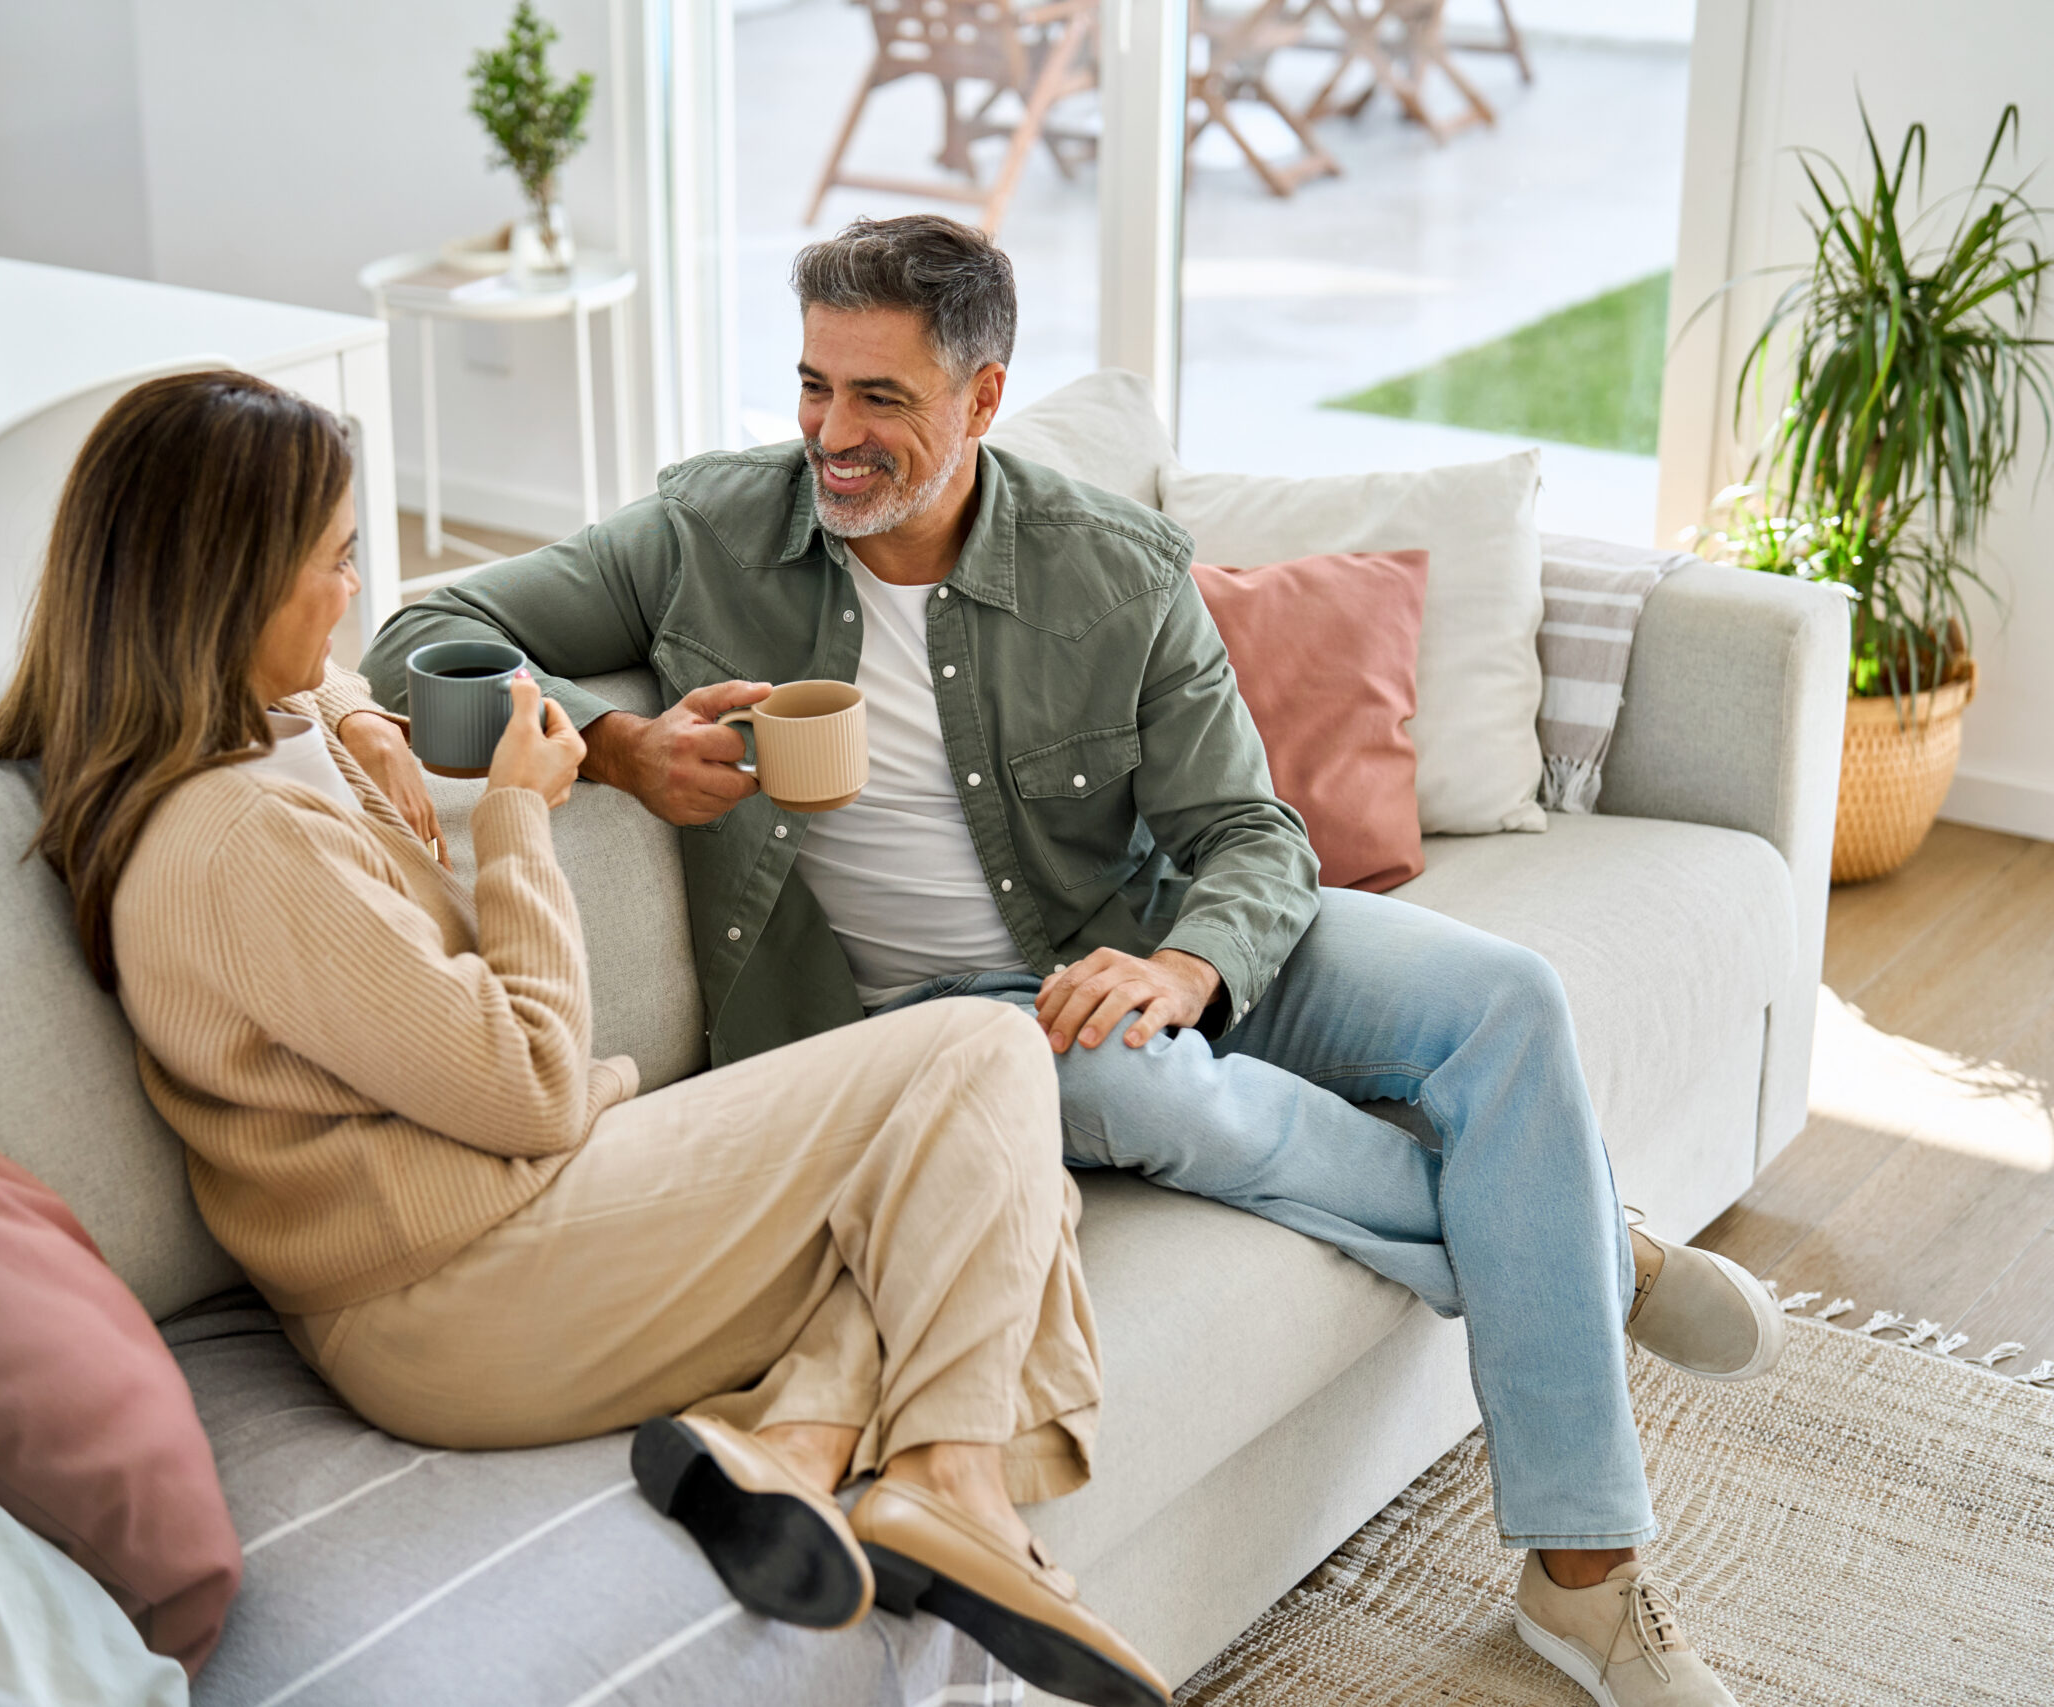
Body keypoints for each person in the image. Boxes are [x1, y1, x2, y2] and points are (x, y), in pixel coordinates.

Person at [361, 216, 1789, 1707]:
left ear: (982, 400)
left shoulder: (1108, 567)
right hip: (925, 1034)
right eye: (812, 389)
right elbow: (421, 633)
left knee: (1509, 1001)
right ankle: (1575, 1278)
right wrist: (612, 746)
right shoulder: (705, 533)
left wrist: (1185, 966)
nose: (831, 439)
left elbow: (1249, 831)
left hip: (1140, 927)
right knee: (1165, 1098)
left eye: (881, 401)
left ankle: (1574, 1542)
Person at [0, 369, 1171, 1707]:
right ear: (227, 589)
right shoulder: (237, 843)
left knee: (988, 1176)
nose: (353, 590)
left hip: (478, 1244)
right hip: (448, 1298)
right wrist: (520, 817)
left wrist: (355, 713)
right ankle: (950, 1478)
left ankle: (799, 1459)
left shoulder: (227, 736)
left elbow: (329, 673)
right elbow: (528, 1087)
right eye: (336, 561)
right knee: (983, 1057)